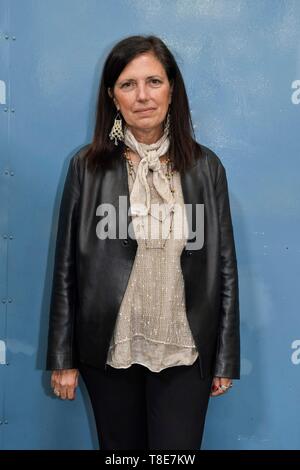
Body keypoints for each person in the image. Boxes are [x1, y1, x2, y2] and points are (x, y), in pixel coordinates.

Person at [46, 35, 240, 450]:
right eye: (127, 84)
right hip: (109, 347)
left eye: (153, 81)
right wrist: (62, 358)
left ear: (172, 89)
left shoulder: (206, 168)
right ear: (113, 98)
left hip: (185, 350)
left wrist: (224, 356)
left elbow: (224, 266)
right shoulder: (87, 167)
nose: (142, 96)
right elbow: (66, 267)